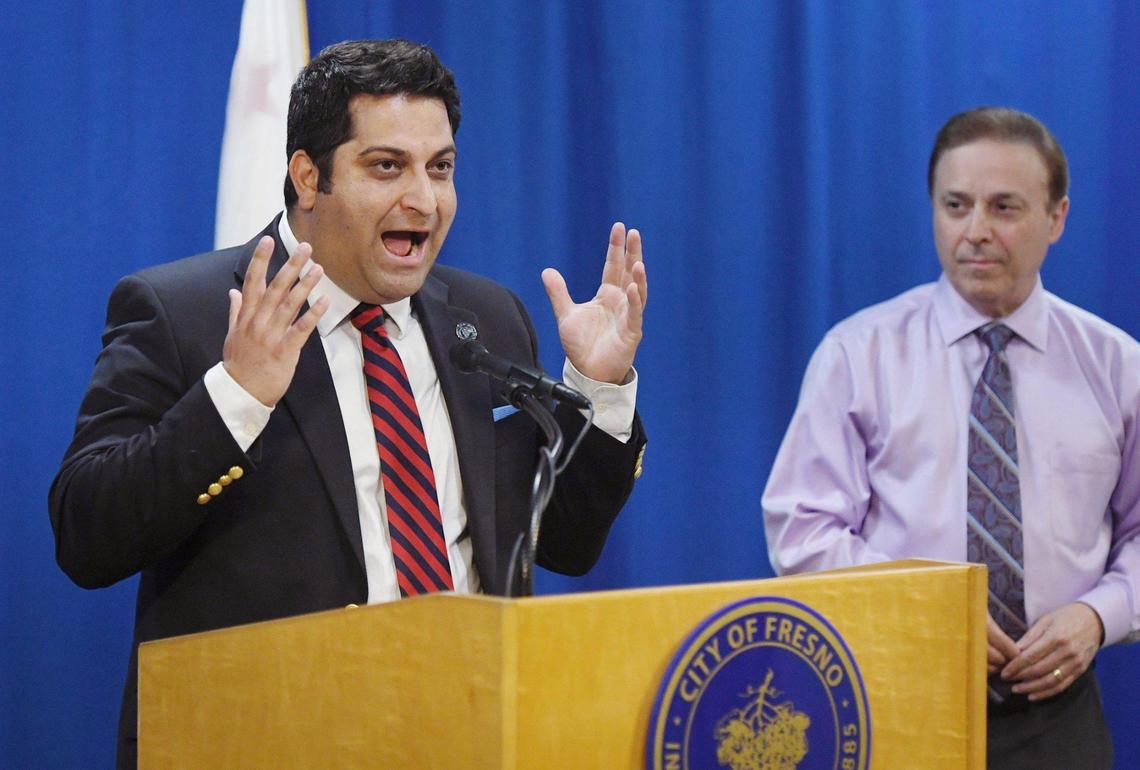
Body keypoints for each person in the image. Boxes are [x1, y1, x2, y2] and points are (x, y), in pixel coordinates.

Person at [49, 39, 647, 767]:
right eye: (386, 167)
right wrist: (234, 396)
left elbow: (565, 543)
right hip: (267, 740)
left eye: (441, 169)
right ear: (309, 176)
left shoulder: (485, 320)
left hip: (468, 733)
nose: (423, 201)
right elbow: (86, 535)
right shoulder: (189, 314)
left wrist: (598, 389)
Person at [762, 107, 1138, 768]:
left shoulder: (1116, 367)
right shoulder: (858, 355)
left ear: (1057, 218)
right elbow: (802, 532)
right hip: (893, 706)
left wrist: (1100, 615)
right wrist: (931, 610)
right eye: (956, 205)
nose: (975, 232)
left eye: (1004, 208)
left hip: (1059, 720)